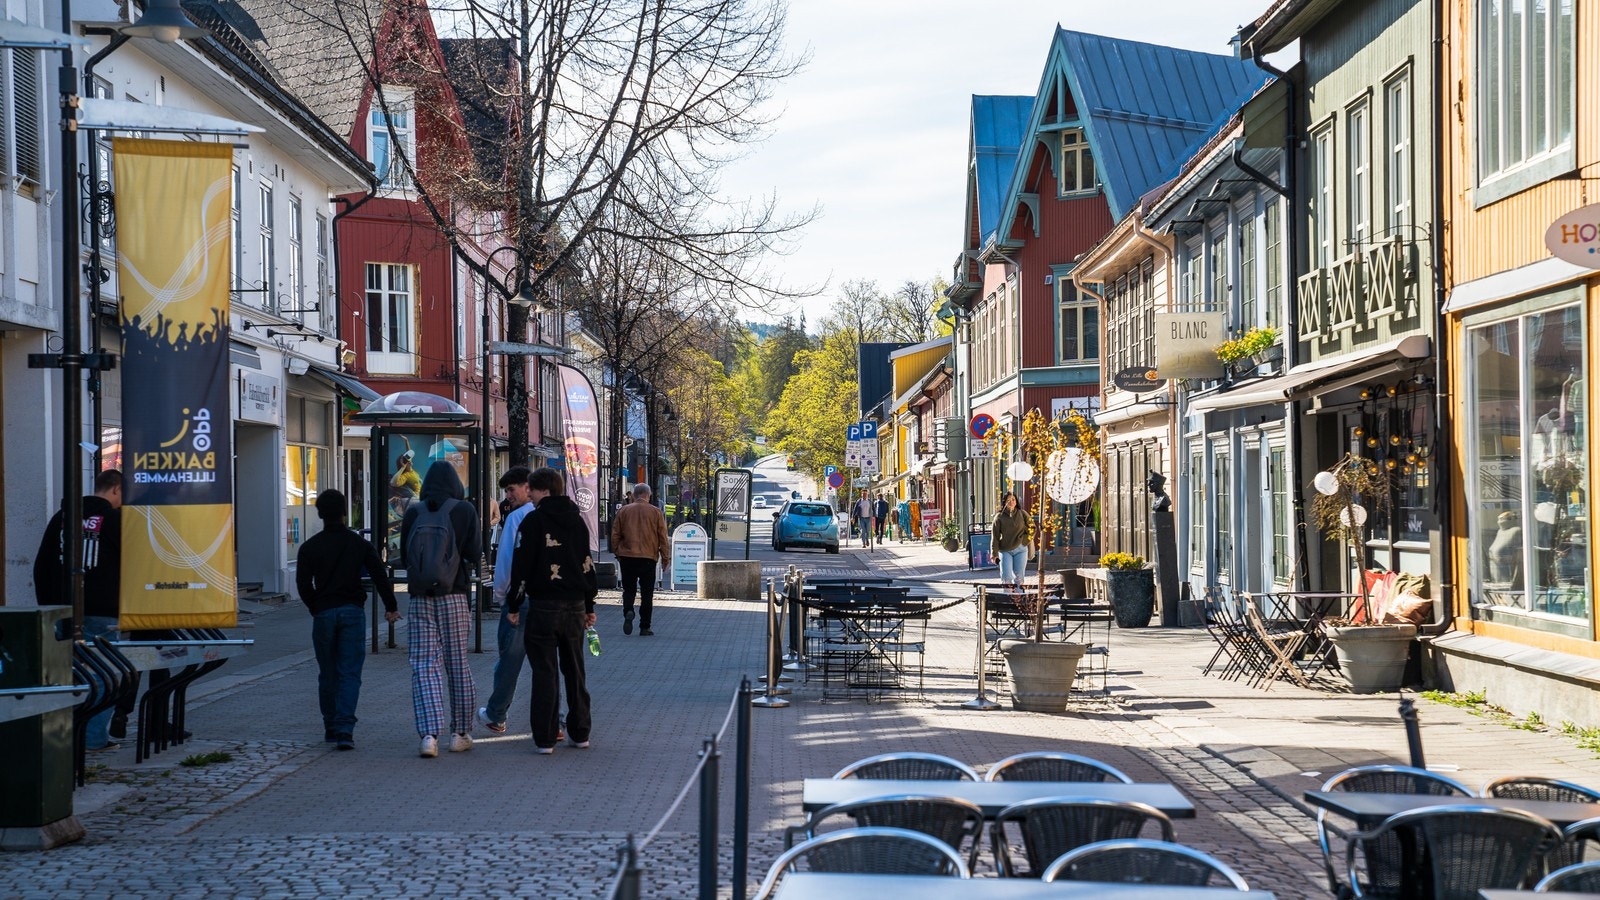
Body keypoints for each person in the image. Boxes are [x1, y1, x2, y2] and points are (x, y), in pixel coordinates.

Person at [295, 489, 400, 750]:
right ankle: (344, 729)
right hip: (353, 612)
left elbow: (303, 584)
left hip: (324, 614)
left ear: (319, 513)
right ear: (344, 512)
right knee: (350, 673)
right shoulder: (359, 545)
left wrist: (315, 607)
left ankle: (330, 726)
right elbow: (379, 576)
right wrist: (391, 606)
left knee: (327, 673)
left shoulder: (310, 547)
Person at [506, 468, 599, 754]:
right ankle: (580, 732)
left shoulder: (533, 521)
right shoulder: (577, 521)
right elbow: (586, 563)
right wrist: (589, 605)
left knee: (544, 672)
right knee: (575, 669)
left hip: (543, 605)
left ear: (543, 490)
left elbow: (521, 567)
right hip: (574, 605)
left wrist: (513, 604)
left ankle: (546, 737)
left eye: (532, 490)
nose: (529, 495)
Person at [33, 469, 123, 751]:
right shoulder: (115, 520)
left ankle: (62, 739)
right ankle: (92, 739)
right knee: (104, 675)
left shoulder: (62, 518)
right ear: (116, 489)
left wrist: (49, 606)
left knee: (64, 675)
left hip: (61, 611)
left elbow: (42, 564)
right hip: (103, 612)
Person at [399, 461, 481, 758]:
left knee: (423, 665)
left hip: (420, 597)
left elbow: (403, 554)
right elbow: (474, 553)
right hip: (454, 594)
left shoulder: (413, 511)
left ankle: (429, 736)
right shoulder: (464, 510)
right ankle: (459, 733)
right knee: (456, 662)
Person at [478, 467, 559, 735]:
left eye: (512, 490)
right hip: (549, 600)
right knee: (546, 663)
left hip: (520, 600)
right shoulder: (557, 515)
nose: (508, 496)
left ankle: (496, 713)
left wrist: (502, 597)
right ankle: (555, 721)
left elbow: (505, 565)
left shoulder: (516, 519)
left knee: (509, 661)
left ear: (528, 487)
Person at [611, 483, 669, 636]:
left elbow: (615, 534)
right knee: (647, 593)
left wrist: (618, 551)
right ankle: (645, 627)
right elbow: (662, 537)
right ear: (648, 495)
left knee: (628, 589)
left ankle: (629, 610)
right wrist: (665, 558)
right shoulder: (655, 512)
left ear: (634, 495)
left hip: (627, 557)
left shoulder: (624, 510)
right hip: (648, 558)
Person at [992, 491, 1029, 588]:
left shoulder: (1022, 514)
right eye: (1008, 500)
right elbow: (995, 537)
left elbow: (1032, 528)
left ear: (1016, 502)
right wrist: (994, 553)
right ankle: (1007, 599)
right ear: (1004, 502)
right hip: (1005, 550)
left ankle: (1019, 601)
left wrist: (1024, 541)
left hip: (1021, 550)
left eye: (1013, 500)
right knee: (1006, 577)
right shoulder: (999, 517)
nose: (1011, 502)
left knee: (1019, 578)